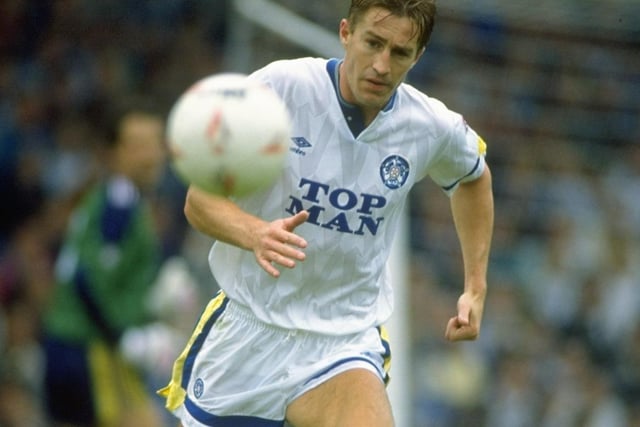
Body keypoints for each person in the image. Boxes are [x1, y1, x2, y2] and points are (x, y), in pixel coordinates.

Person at [160, 0, 494, 426]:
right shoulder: (279, 89)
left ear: (418, 57)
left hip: (343, 343)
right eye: (373, 43)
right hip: (249, 333)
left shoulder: (430, 126)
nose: (381, 65)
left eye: (399, 53)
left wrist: (475, 287)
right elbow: (199, 200)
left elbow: (473, 177)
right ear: (345, 33)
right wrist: (256, 233)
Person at [42, 100, 167, 427]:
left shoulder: (114, 198)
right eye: (138, 146)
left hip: (70, 342)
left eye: (155, 144)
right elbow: (86, 276)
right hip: (88, 348)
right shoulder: (120, 201)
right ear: (114, 153)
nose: (150, 155)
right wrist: (122, 337)